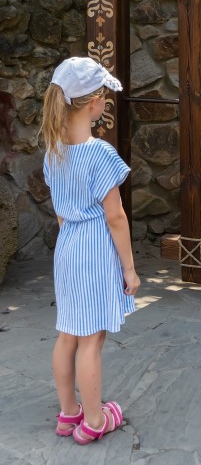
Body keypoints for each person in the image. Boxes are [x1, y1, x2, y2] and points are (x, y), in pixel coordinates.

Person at [41, 56, 141, 444]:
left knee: (67, 334)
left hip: (67, 249)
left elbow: (61, 214)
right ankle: (96, 420)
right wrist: (129, 269)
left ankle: (69, 414)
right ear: (95, 103)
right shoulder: (100, 155)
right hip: (95, 251)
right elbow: (115, 217)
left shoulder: (53, 151)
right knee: (90, 340)